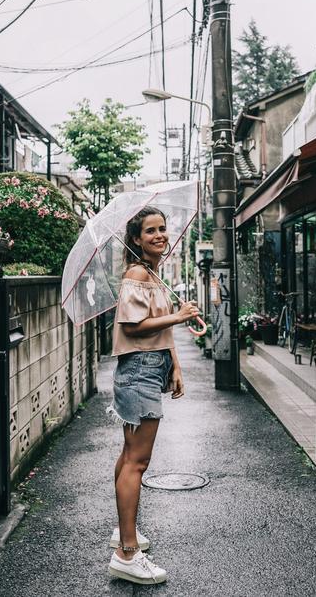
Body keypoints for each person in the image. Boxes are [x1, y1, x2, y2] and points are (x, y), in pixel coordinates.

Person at [106, 206, 200, 585]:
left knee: (130, 457)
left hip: (150, 367)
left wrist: (175, 365)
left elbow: (159, 333)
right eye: (151, 231)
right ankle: (127, 554)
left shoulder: (154, 275)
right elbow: (135, 325)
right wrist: (178, 317)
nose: (160, 235)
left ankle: (122, 534)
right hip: (139, 370)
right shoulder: (136, 274)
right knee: (137, 463)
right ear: (136, 239)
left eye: (163, 229)